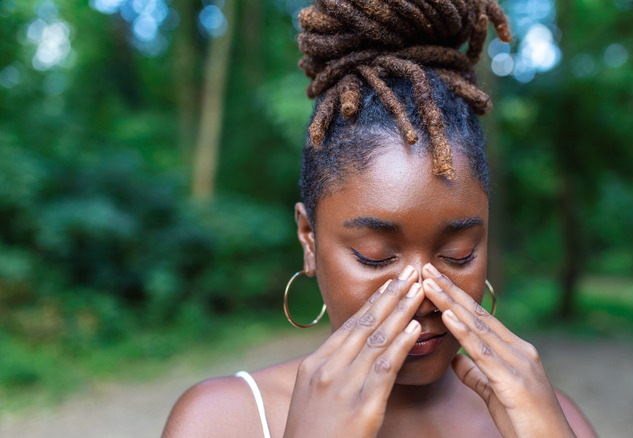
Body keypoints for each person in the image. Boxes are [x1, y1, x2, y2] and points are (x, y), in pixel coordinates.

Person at [163, 0, 597, 436]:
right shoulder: (221, 420)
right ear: (308, 239)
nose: (420, 292)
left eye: (458, 254)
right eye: (374, 257)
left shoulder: (550, 418)